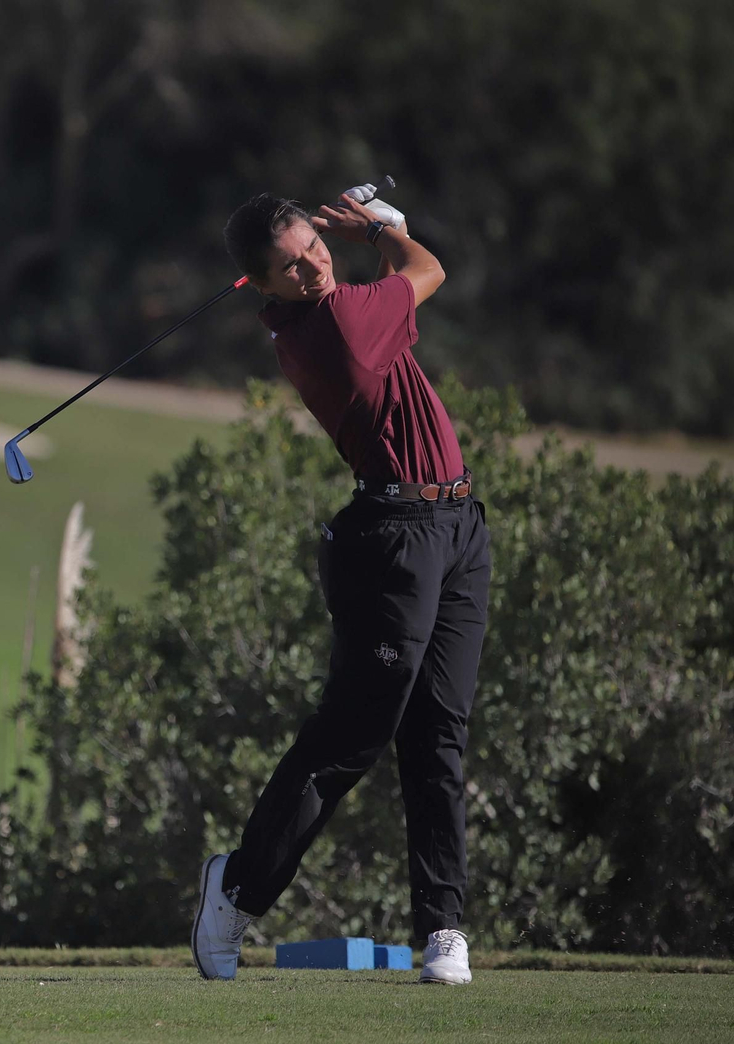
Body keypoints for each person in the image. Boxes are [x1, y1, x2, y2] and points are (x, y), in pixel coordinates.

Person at [190, 188, 492, 985]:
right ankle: (237, 891)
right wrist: (384, 227)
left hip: (458, 527)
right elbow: (428, 266)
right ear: (264, 283)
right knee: (352, 739)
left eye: (314, 248)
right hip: (394, 542)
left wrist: (361, 239)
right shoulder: (336, 324)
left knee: (440, 736)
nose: (312, 266)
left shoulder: (326, 308)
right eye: (292, 265)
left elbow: (402, 278)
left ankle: (442, 931)